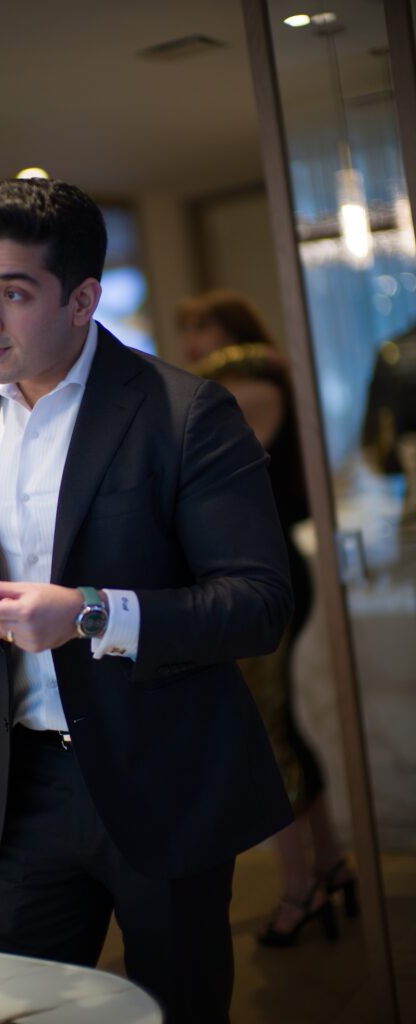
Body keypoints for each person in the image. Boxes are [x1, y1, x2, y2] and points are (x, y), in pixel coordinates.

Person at [0, 177, 296, 1024]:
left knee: (178, 1008)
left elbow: (258, 603)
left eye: (14, 293)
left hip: (161, 779)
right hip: (18, 791)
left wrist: (89, 612)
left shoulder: (185, 412)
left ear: (82, 300)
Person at [177, 289, 358, 946]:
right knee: (281, 724)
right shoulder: (256, 384)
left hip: (259, 574)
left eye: (200, 329)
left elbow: (202, 478)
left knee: (266, 731)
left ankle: (300, 888)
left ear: (229, 332)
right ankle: (328, 863)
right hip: (267, 568)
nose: (191, 344)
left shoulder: (242, 391)